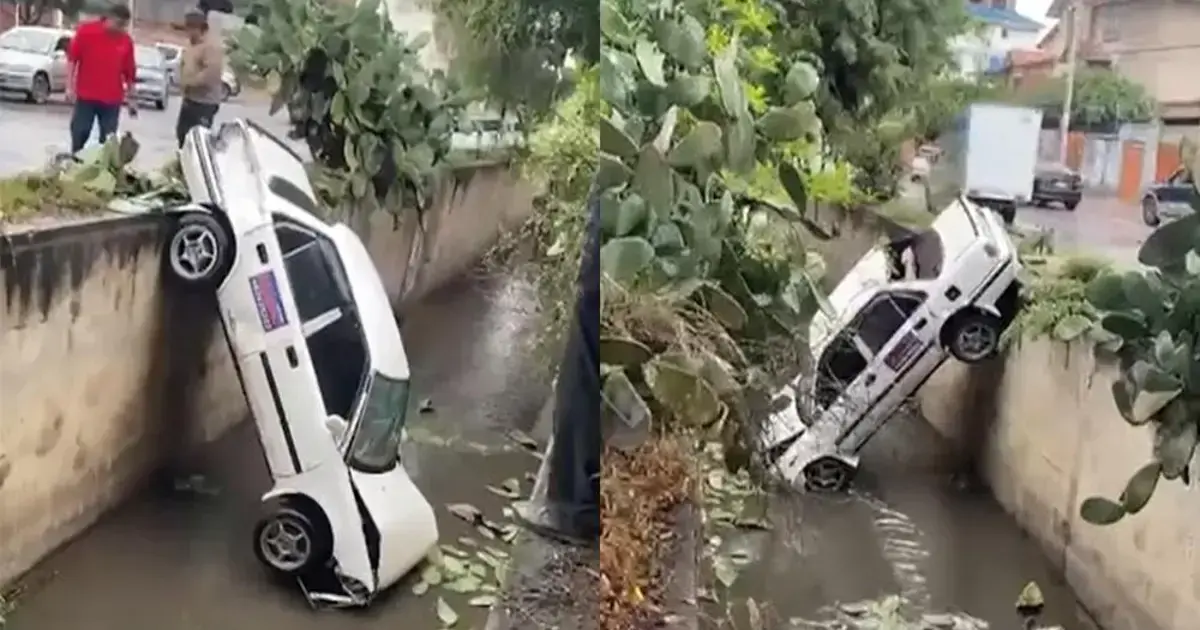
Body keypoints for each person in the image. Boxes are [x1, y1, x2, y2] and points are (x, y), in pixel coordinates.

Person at [66, 4, 137, 154]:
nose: (121, 29)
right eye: (119, 24)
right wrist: (69, 87)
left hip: (112, 100)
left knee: (108, 139)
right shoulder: (87, 32)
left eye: (124, 26)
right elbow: (72, 60)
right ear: (109, 19)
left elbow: (129, 73)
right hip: (86, 95)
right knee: (80, 132)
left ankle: (102, 169)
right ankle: (75, 161)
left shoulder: (126, 42)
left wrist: (132, 99)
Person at [175, 9, 225, 147]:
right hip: (189, 98)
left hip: (204, 102)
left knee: (198, 140)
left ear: (199, 28)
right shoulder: (190, 45)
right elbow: (184, 64)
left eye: (190, 29)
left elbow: (211, 73)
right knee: (182, 133)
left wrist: (190, 82)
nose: (188, 33)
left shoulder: (211, 46)